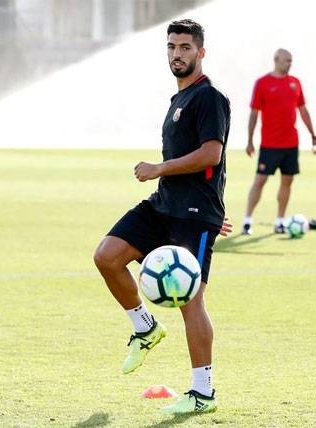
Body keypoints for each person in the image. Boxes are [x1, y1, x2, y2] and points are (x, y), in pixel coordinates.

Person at [92, 19, 230, 414]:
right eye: (171, 46)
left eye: (185, 47)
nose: (177, 54)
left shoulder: (209, 97)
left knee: (191, 301)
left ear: (201, 52)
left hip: (191, 215)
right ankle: (145, 327)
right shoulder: (178, 100)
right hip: (163, 206)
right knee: (107, 255)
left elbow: (211, 155)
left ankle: (203, 393)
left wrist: (159, 169)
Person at [241, 48, 316, 235]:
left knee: (287, 181)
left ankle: (280, 221)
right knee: (260, 181)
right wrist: (250, 140)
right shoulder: (262, 83)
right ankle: (247, 221)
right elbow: (253, 114)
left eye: (291, 60)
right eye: (287, 60)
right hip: (269, 144)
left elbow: (303, 110)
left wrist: (313, 135)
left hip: (291, 144)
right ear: (276, 60)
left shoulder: (295, 83)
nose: (289, 64)